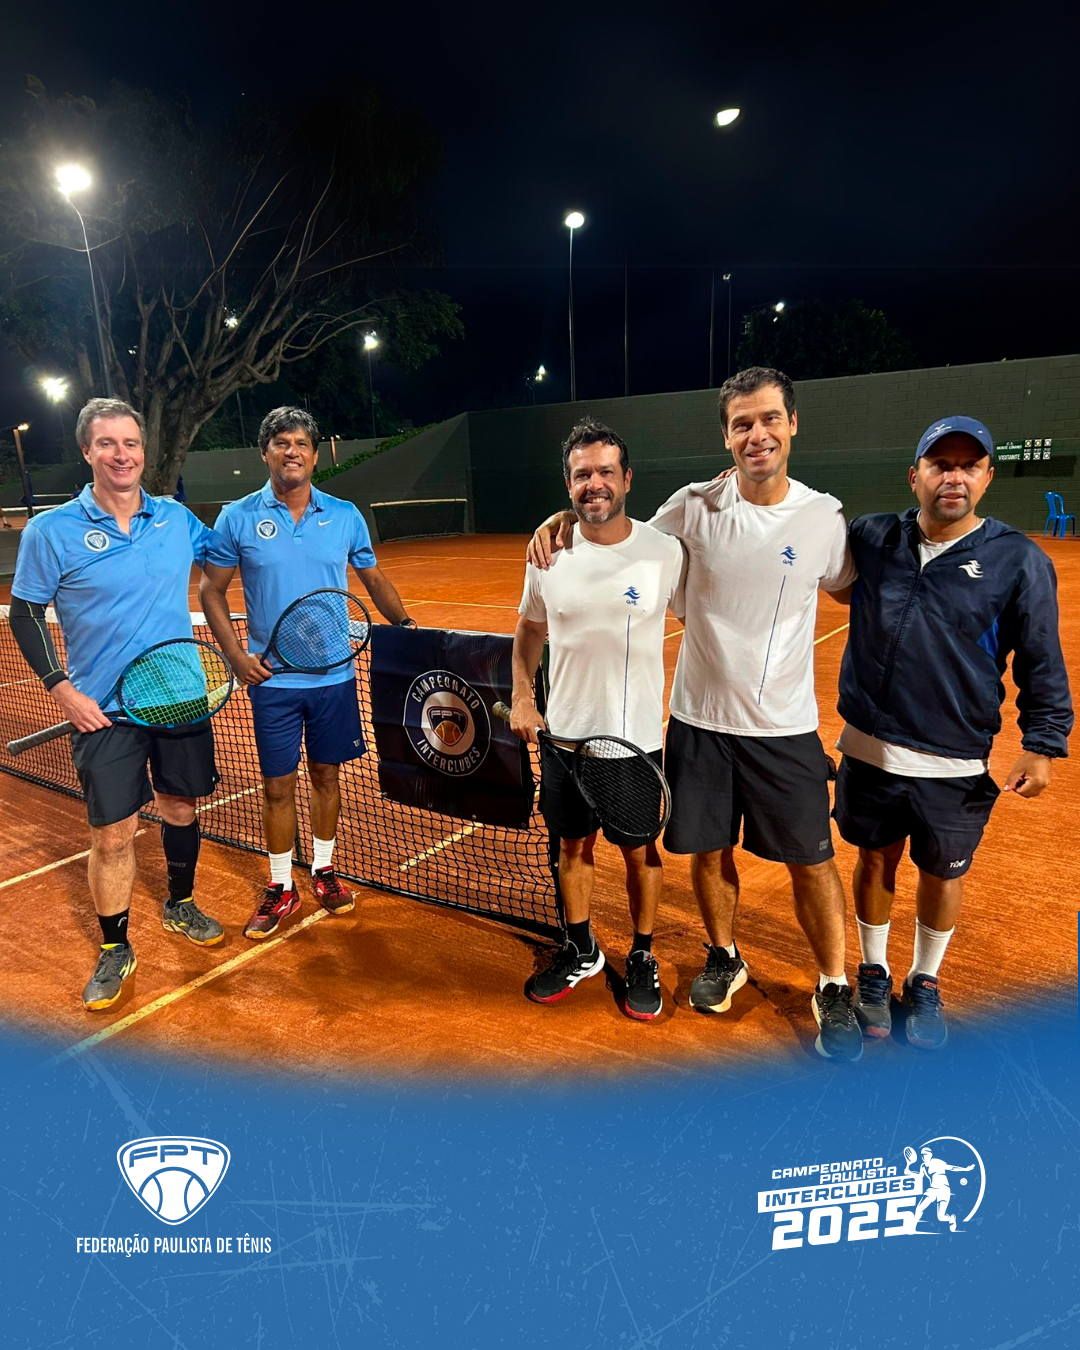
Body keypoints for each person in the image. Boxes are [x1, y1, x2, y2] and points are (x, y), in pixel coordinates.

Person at [529, 367, 863, 1060]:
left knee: (812, 860)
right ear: (727, 436)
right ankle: (723, 954)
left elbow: (850, 590)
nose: (757, 434)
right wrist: (561, 519)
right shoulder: (690, 506)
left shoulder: (823, 518)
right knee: (708, 854)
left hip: (784, 727)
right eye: (742, 424)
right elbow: (615, 533)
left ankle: (834, 984)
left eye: (769, 419)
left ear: (793, 424)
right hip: (699, 721)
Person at [834, 416, 1073, 1049]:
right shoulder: (873, 537)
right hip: (869, 749)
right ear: (914, 476)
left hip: (955, 760)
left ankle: (925, 979)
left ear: (988, 477)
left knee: (943, 876)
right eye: (941, 465)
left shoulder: (1017, 559)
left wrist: (1043, 743)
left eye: (970, 466)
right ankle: (874, 971)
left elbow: (1041, 658)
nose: (954, 477)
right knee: (874, 860)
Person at [10, 398, 225, 1011]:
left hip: (179, 695)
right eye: (107, 443)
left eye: (130, 443)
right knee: (112, 834)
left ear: (143, 450)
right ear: (87, 451)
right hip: (101, 710)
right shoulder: (51, 531)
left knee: (180, 807)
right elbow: (25, 613)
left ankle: (180, 903)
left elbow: (230, 555)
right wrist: (62, 688)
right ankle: (115, 947)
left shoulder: (176, 518)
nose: (121, 454)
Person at [199, 406, 415, 940]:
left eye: (301, 443)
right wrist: (236, 657)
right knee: (276, 786)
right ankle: (280, 885)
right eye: (281, 442)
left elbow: (373, 578)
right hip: (271, 681)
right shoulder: (237, 517)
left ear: (316, 455)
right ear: (265, 453)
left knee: (326, 776)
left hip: (332, 677)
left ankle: (322, 869)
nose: (291, 451)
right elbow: (211, 590)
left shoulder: (344, 515)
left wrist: (407, 626)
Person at [511, 420, 684, 1019]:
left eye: (606, 471)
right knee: (571, 847)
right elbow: (529, 628)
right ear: (569, 485)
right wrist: (523, 696)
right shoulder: (548, 553)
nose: (595, 484)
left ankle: (642, 953)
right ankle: (582, 947)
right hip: (565, 739)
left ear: (627, 478)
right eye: (582, 474)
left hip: (633, 743)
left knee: (640, 853)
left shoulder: (664, 552)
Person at [905, 1145, 975, 1232]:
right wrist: (909, 1172)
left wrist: (965, 1169)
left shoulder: (937, 1162)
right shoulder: (922, 1166)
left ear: (930, 1155)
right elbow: (919, 1176)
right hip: (932, 1190)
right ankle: (913, 1228)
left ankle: (951, 1219)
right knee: (919, 1208)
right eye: (922, 1155)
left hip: (944, 1189)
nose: (923, 1157)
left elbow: (951, 1168)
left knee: (941, 1217)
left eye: (926, 1154)